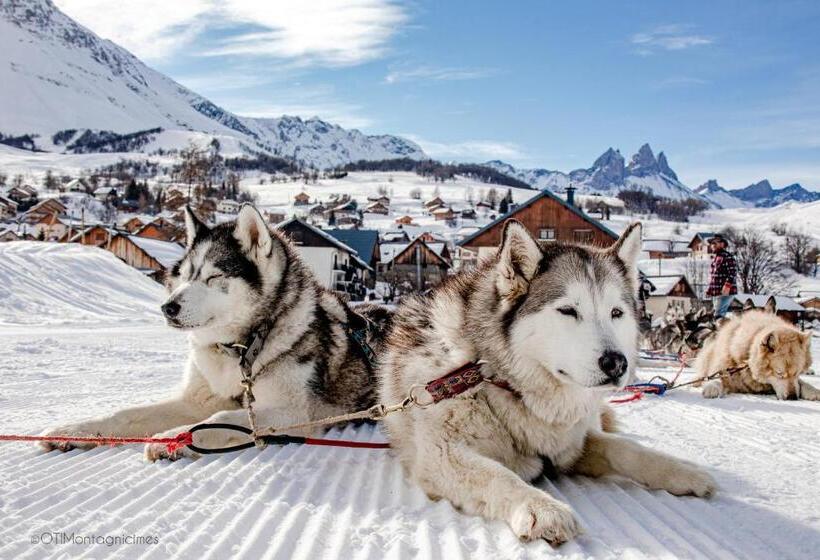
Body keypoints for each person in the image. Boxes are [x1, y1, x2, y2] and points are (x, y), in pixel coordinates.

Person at [705, 234, 738, 317]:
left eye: (715, 243)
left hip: (725, 291)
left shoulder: (727, 257)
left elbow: (732, 272)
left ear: (722, 244)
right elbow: (714, 277)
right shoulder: (716, 258)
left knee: (718, 314)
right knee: (716, 314)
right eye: (711, 243)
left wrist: (727, 286)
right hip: (717, 292)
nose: (712, 245)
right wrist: (709, 290)